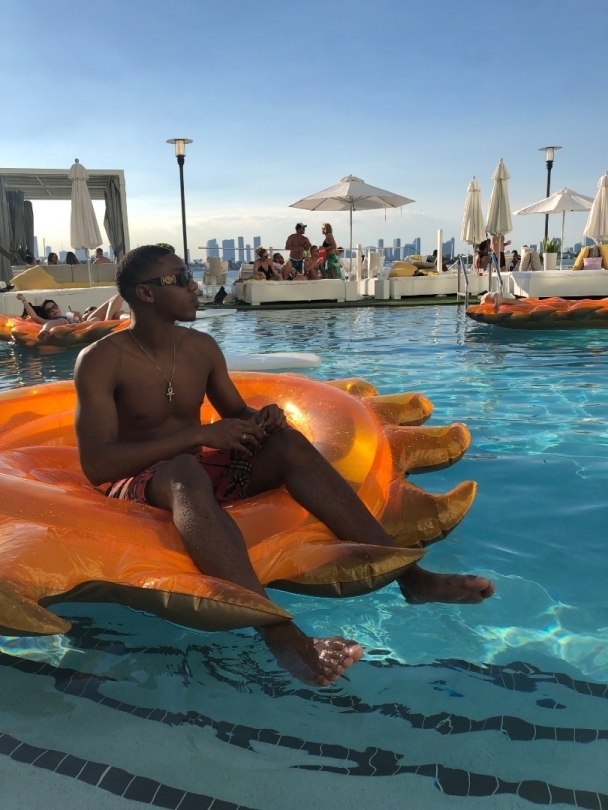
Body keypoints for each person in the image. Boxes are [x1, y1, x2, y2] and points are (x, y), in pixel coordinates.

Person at [74, 245, 495, 687]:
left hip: (193, 469)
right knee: (183, 469)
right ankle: (281, 635)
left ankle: (411, 577)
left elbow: (235, 412)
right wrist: (197, 437)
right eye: (179, 279)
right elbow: (97, 465)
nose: (194, 286)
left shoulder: (200, 348)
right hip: (138, 479)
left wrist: (262, 418)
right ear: (145, 293)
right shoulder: (102, 360)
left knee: (287, 443)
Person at [16, 295, 82, 329]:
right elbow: (34, 316)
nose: (53, 310)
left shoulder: (68, 318)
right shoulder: (48, 322)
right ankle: (45, 332)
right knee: (62, 321)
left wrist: (80, 318)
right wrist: (23, 299)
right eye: (49, 310)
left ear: (58, 307)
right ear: (47, 315)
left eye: (54, 307)